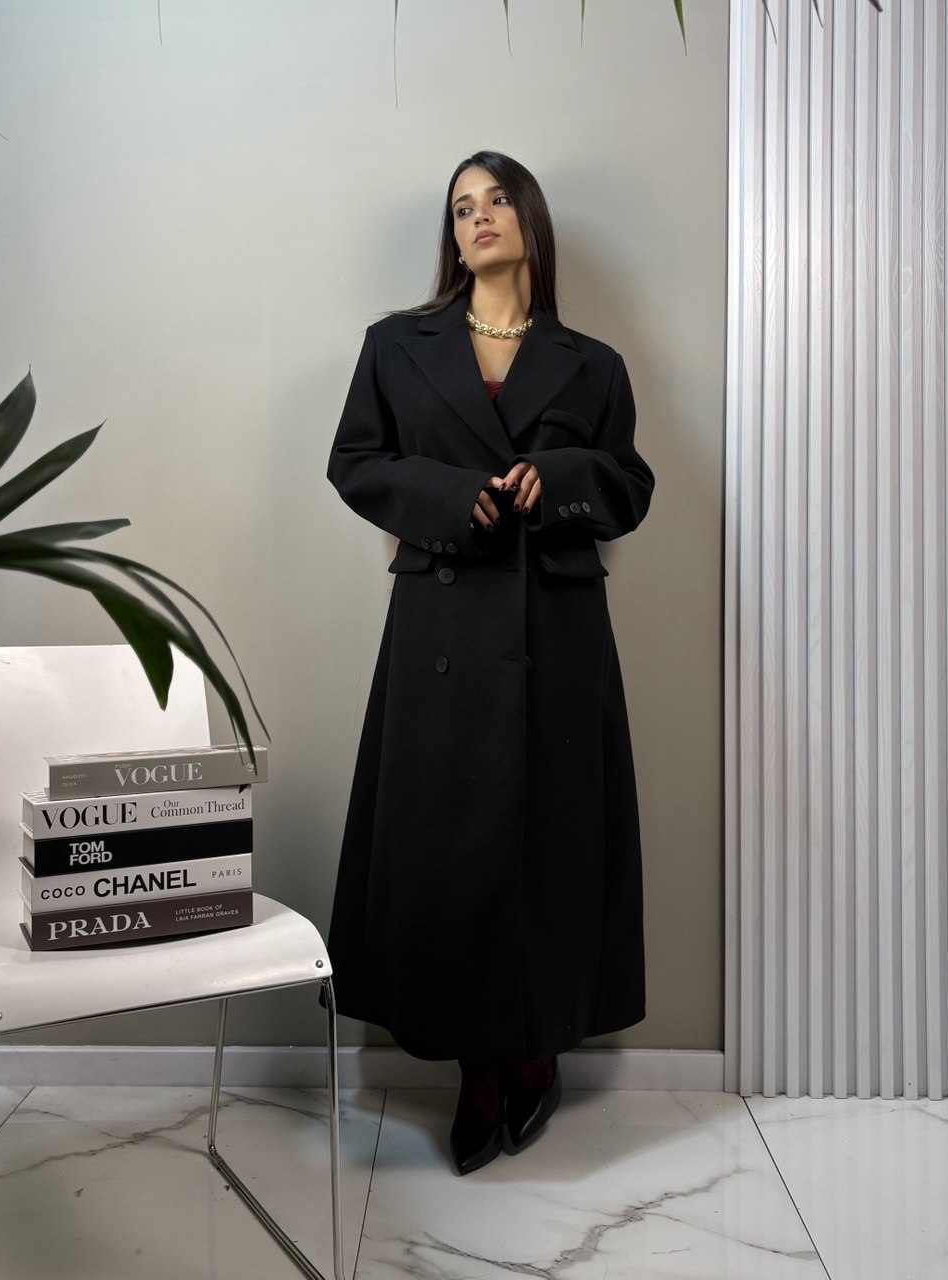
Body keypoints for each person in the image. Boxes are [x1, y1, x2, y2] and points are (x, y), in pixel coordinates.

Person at [326, 150, 654, 1175]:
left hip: (558, 631)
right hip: (443, 623)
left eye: (498, 199)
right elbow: (354, 461)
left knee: (555, 839)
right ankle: (477, 1067)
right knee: (448, 846)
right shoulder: (397, 344)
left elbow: (630, 485)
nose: (479, 216)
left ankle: (537, 1051)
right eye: (462, 206)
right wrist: (444, 495)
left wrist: (558, 474)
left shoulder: (594, 363)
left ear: (529, 219)